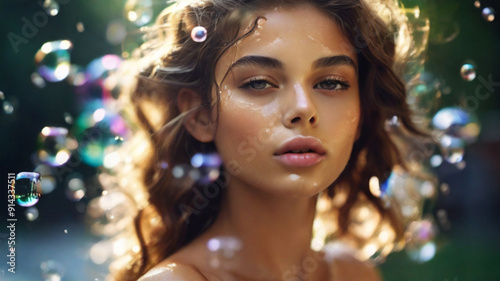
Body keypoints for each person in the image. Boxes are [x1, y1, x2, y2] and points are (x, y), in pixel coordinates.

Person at [105, 0, 428, 280]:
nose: (304, 108)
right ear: (200, 115)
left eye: (331, 83)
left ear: (363, 113)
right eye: (259, 83)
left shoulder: (355, 274)